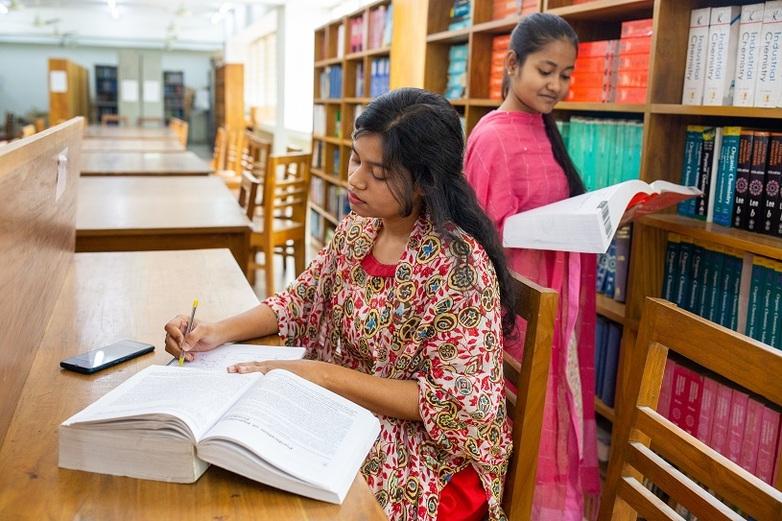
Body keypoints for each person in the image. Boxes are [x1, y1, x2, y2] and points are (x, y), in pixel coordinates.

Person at [165, 88, 516, 521]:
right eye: (355, 159)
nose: (355, 180)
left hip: (430, 456)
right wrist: (216, 332)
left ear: (426, 181)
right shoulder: (358, 229)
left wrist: (322, 376)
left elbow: (453, 404)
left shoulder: (459, 269)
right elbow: (301, 302)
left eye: (379, 172)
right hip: (349, 413)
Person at [463, 13, 600, 521]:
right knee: (519, 423)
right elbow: (477, 241)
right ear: (513, 63)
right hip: (514, 310)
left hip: (551, 306)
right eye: (546, 70)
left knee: (546, 418)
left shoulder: (546, 131)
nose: (557, 85)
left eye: (566, 74)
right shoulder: (492, 137)